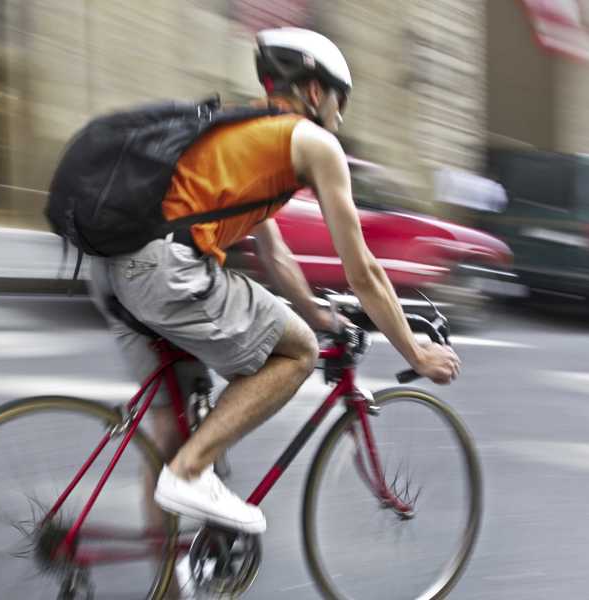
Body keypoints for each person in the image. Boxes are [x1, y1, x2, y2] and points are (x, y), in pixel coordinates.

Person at [88, 27, 460, 536]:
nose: (340, 116)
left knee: (172, 431)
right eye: (340, 101)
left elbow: (274, 252)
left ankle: (167, 578)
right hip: (164, 272)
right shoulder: (314, 143)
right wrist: (415, 354)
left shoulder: (243, 132)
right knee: (297, 353)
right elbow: (365, 271)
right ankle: (191, 472)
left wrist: (317, 311)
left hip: (113, 270)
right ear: (314, 91)